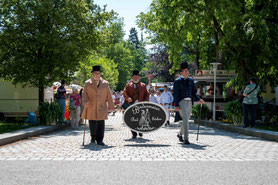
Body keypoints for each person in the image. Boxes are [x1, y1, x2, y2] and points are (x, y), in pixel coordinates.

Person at [81, 65, 114, 145]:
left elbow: (109, 95)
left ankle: (100, 140)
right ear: (93, 74)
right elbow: (84, 93)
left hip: (101, 106)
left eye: (98, 73)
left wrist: (111, 106)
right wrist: (85, 101)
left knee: (101, 123)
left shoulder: (105, 83)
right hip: (91, 106)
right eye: (95, 73)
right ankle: (93, 137)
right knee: (92, 122)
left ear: (100, 74)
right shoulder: (87, 83)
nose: (97, 75)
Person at [173, 62, 204, 144]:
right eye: (185, 71)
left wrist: (199, 99)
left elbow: (193, 92)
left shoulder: (191, 81)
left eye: (187, 71)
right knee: (186, 120)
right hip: (181, 102)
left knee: (186, 120)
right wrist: (176, 105)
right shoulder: (177, 81)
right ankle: (186, 138)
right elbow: (175, 94)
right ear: (181, 72)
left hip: (190, 102)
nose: (187, 72)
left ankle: (180, 134)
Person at [123, 70, 149, 139]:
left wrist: (145, 103)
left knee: (141, 118)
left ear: (139, 77)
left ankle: (140, 131)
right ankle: (134, 133)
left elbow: (147, 94)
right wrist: (128, 98)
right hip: (131, 105)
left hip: (141, 104)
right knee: (132, 119)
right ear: (132, 77)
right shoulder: (128, 85)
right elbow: (124, 92)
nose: (135, 78)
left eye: (137, 77)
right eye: (134, 77)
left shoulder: (143, 85)